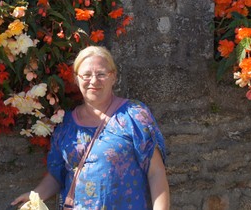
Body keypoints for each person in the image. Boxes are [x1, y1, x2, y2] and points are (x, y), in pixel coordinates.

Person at [11, 46, 170, 209]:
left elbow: (156, 173)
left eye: (101, 74)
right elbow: (57, 175)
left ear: (113, 77)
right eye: (86, 75)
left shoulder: (133, 116)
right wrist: (34, 197)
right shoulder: (66, 124)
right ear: (76, 78)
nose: (93, 81)